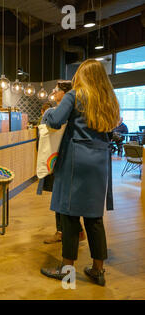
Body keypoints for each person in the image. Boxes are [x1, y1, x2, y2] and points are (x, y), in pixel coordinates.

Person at [40, 59, 119, 286]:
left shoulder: (75, 95)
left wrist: (47, 113)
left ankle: (66, 270)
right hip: (100, 161)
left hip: (76, 159)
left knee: (70, 215)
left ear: (82, 75)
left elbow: (55, 121)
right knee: (94, 217)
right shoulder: (109, 99)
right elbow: (111, 128)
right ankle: (98, 270)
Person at [41, 80, 85, 245]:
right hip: (58, 156)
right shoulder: (67, 110)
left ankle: (63, 232)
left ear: (65, 93)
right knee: (60, 196)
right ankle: (74, 230)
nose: (54, 92)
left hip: (61, 157)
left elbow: (49, 124)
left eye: (56, 90)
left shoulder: (61, 111)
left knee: (60, 196)